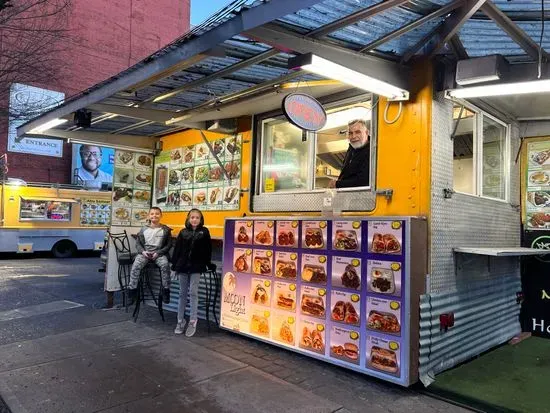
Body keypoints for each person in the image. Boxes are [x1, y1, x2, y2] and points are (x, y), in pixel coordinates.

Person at [171, 208, 212, 337]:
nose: (194, 219)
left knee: (193, 292)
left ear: (201, 219)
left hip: (196, 266)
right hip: (182, 267)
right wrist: (174, 267)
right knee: (182, 294)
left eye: (197, 217)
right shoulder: (183, 232)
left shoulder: (204, 232)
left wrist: (208, 263)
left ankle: (193, 320)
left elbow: (208, 249)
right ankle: (180, 320)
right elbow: (177, 250)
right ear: (188, 219)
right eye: (192, 217)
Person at [127, 207, 172, 304]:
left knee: (165, 265)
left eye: (157, 213)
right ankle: (132, 291)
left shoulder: (166, 230)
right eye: (152, 214)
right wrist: (143, 252)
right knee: (136, 266)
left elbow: (169, 245)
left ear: (161, 215)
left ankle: (166, 291)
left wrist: (158, 253)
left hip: (159, 254)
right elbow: (138, 244)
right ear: (148, 216)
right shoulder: (143, 229)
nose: (154, 215)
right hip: (145, 253)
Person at [329, 119, 370, 189]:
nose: (353, 136)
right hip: (348, 196)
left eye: (358, 132)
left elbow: (364, 181)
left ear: (366, 133)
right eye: (350, 133)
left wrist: (337, 184)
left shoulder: (372, 151)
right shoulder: (351, 148)